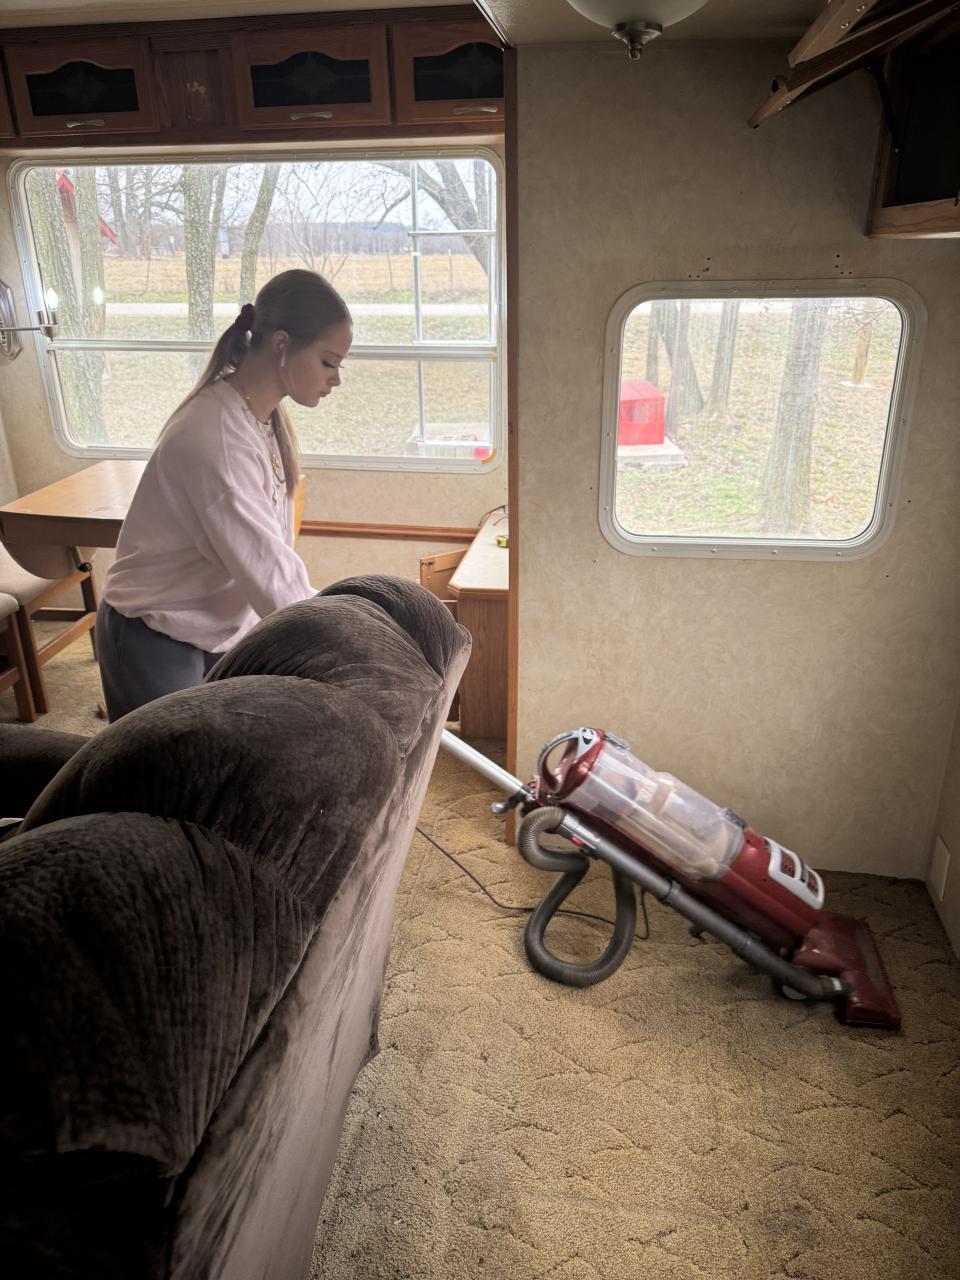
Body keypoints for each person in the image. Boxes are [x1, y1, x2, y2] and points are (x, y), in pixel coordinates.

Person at [95, 268, 352, 721]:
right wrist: (349, 642)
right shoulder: (216, 437)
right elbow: (270, 574)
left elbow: (271, 555)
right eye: (328, 362)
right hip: (154, 629)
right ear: (281, 344)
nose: (336, 380)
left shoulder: (261, 419)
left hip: (216, 624)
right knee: (167, 764)